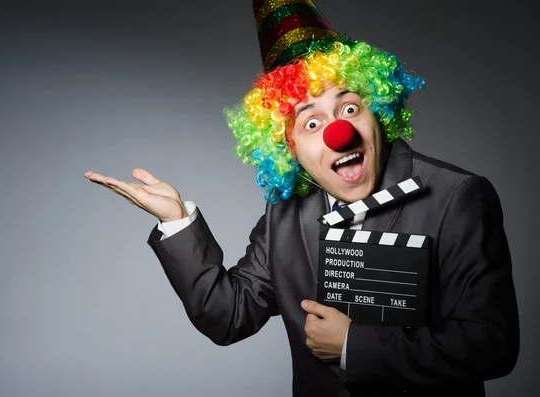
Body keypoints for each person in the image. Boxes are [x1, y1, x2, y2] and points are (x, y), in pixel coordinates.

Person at [84, 1, 519, 395]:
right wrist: (177, 220)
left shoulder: (456, 197)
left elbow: (491, 345)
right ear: (287, 145)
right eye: (310, 123)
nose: (338, 131)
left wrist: (354, 344)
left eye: (349, 108)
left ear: (378, 112)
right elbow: (229, 315)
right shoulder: (287, 212)